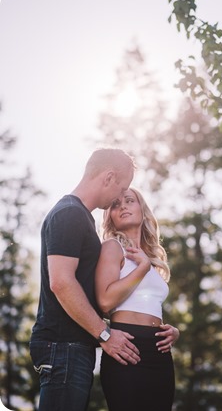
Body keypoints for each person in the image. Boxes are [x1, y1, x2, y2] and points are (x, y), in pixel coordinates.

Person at [29, 148, 141, 411]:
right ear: (108, 177)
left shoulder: (80, 216)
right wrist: (105, 334)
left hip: (71, 347)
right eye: (121, 187)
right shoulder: (70, 214)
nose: (119, 196)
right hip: (62, 347)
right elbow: (62, 283)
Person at [95, 186, 180, 411]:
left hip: (160, 351)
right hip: (126, 347)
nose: (122, 205)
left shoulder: (150, 259)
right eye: (115, 204)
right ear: (110, 217)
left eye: (129, 200)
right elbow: (105, 301)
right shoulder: (112, 248)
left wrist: (173, 331)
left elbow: (148, 303)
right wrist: (141, 269)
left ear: (142, 210)